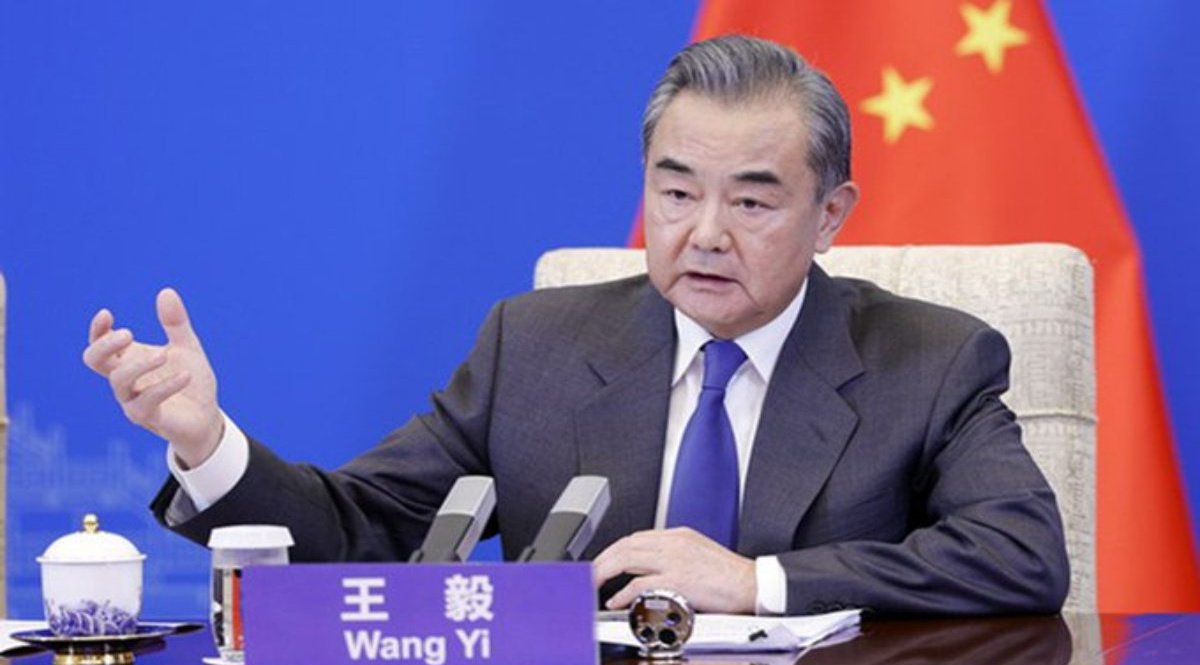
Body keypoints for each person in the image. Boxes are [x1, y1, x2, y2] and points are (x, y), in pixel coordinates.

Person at [82, 35, 1068, 616]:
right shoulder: (536, 347)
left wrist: (757, 582)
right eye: (675, 193)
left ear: (831, 216)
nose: (705, 233)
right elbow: (355, 534)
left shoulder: (930, 360)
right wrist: (206, 443)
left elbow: (1020, 555)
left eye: (752, 202)